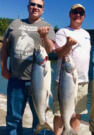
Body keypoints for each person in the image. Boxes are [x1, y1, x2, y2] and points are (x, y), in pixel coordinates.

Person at [0, 0, 55, 134]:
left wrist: (44, 37)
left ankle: (41, 128)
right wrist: (4, 68)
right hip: (16, 79)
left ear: (43, 9)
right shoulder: (15, 24)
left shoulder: (47, 26)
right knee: (13, 118)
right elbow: (5, 48)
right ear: (28, 7)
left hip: (37, 83)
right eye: (32, 4)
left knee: (39, 116)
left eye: (39, 5)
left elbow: (50, 50)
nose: (35, 7)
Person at [52, 4, 91, 135]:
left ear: (84, 17)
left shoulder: (86, 34)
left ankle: (70, 132)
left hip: (82, 82)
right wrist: (68, 45)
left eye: (81, 13)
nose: (78, 15)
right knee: (59, 114)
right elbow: (59, 54)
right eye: (75, 12)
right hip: (64, 81)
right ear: (70, 14)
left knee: (77, 114)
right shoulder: (62, 32)